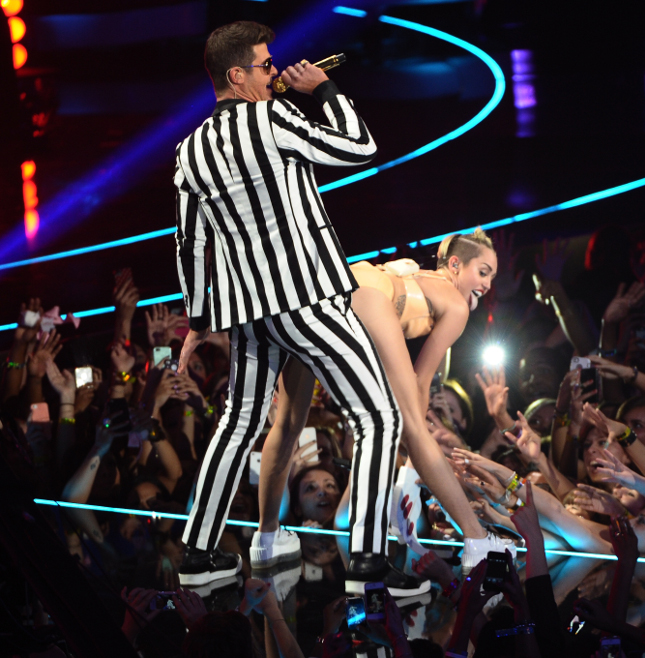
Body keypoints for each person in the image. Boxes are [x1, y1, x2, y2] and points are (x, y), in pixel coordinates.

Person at [173, 21, 421, 595]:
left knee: (238, 424)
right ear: (236, 76)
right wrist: (322, 90)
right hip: (305, 296)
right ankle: (365, 561)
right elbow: (361, 147)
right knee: (378, 417)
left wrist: (200, 320)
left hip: (249, 313)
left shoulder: (189, 152)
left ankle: (197, 553)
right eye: (265, 66)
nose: (273, 72)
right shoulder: (272, 118)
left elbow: (193, 244)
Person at [253, 229, 514, 579]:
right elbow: (422, 381)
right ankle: (478, 538)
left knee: (287, 425)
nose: (487, 285)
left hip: (317, 295)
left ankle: (266, 538)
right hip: (367, 300)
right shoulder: (454, 303)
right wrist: (417, 440)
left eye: (492, 277)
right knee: (403, 425)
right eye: (483, 272)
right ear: (455, 264)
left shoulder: (413, 273)